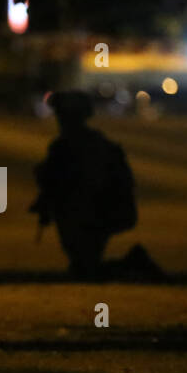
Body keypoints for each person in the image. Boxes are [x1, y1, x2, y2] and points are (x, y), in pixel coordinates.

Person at [29, 90, 164, 281]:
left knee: (85, 268)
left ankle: (133, 263)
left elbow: (74, 183)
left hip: (91, 215)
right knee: (83, 265)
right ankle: (132, 263)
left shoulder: (72, 146)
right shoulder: (87, 143)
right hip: (95, 213)